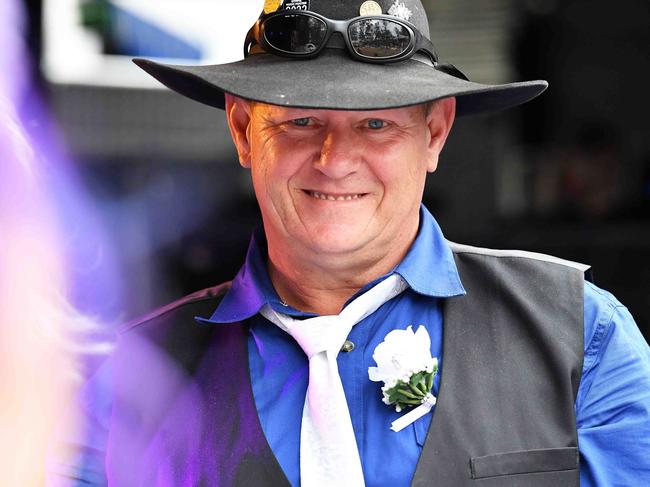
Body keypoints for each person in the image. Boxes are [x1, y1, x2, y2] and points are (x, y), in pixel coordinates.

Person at [51, 0, 650, 485]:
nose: (336, 162)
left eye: (377, 123)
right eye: (300, 120)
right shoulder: (130, 378)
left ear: (435, 133)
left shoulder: (580, 336)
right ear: (241, 129)